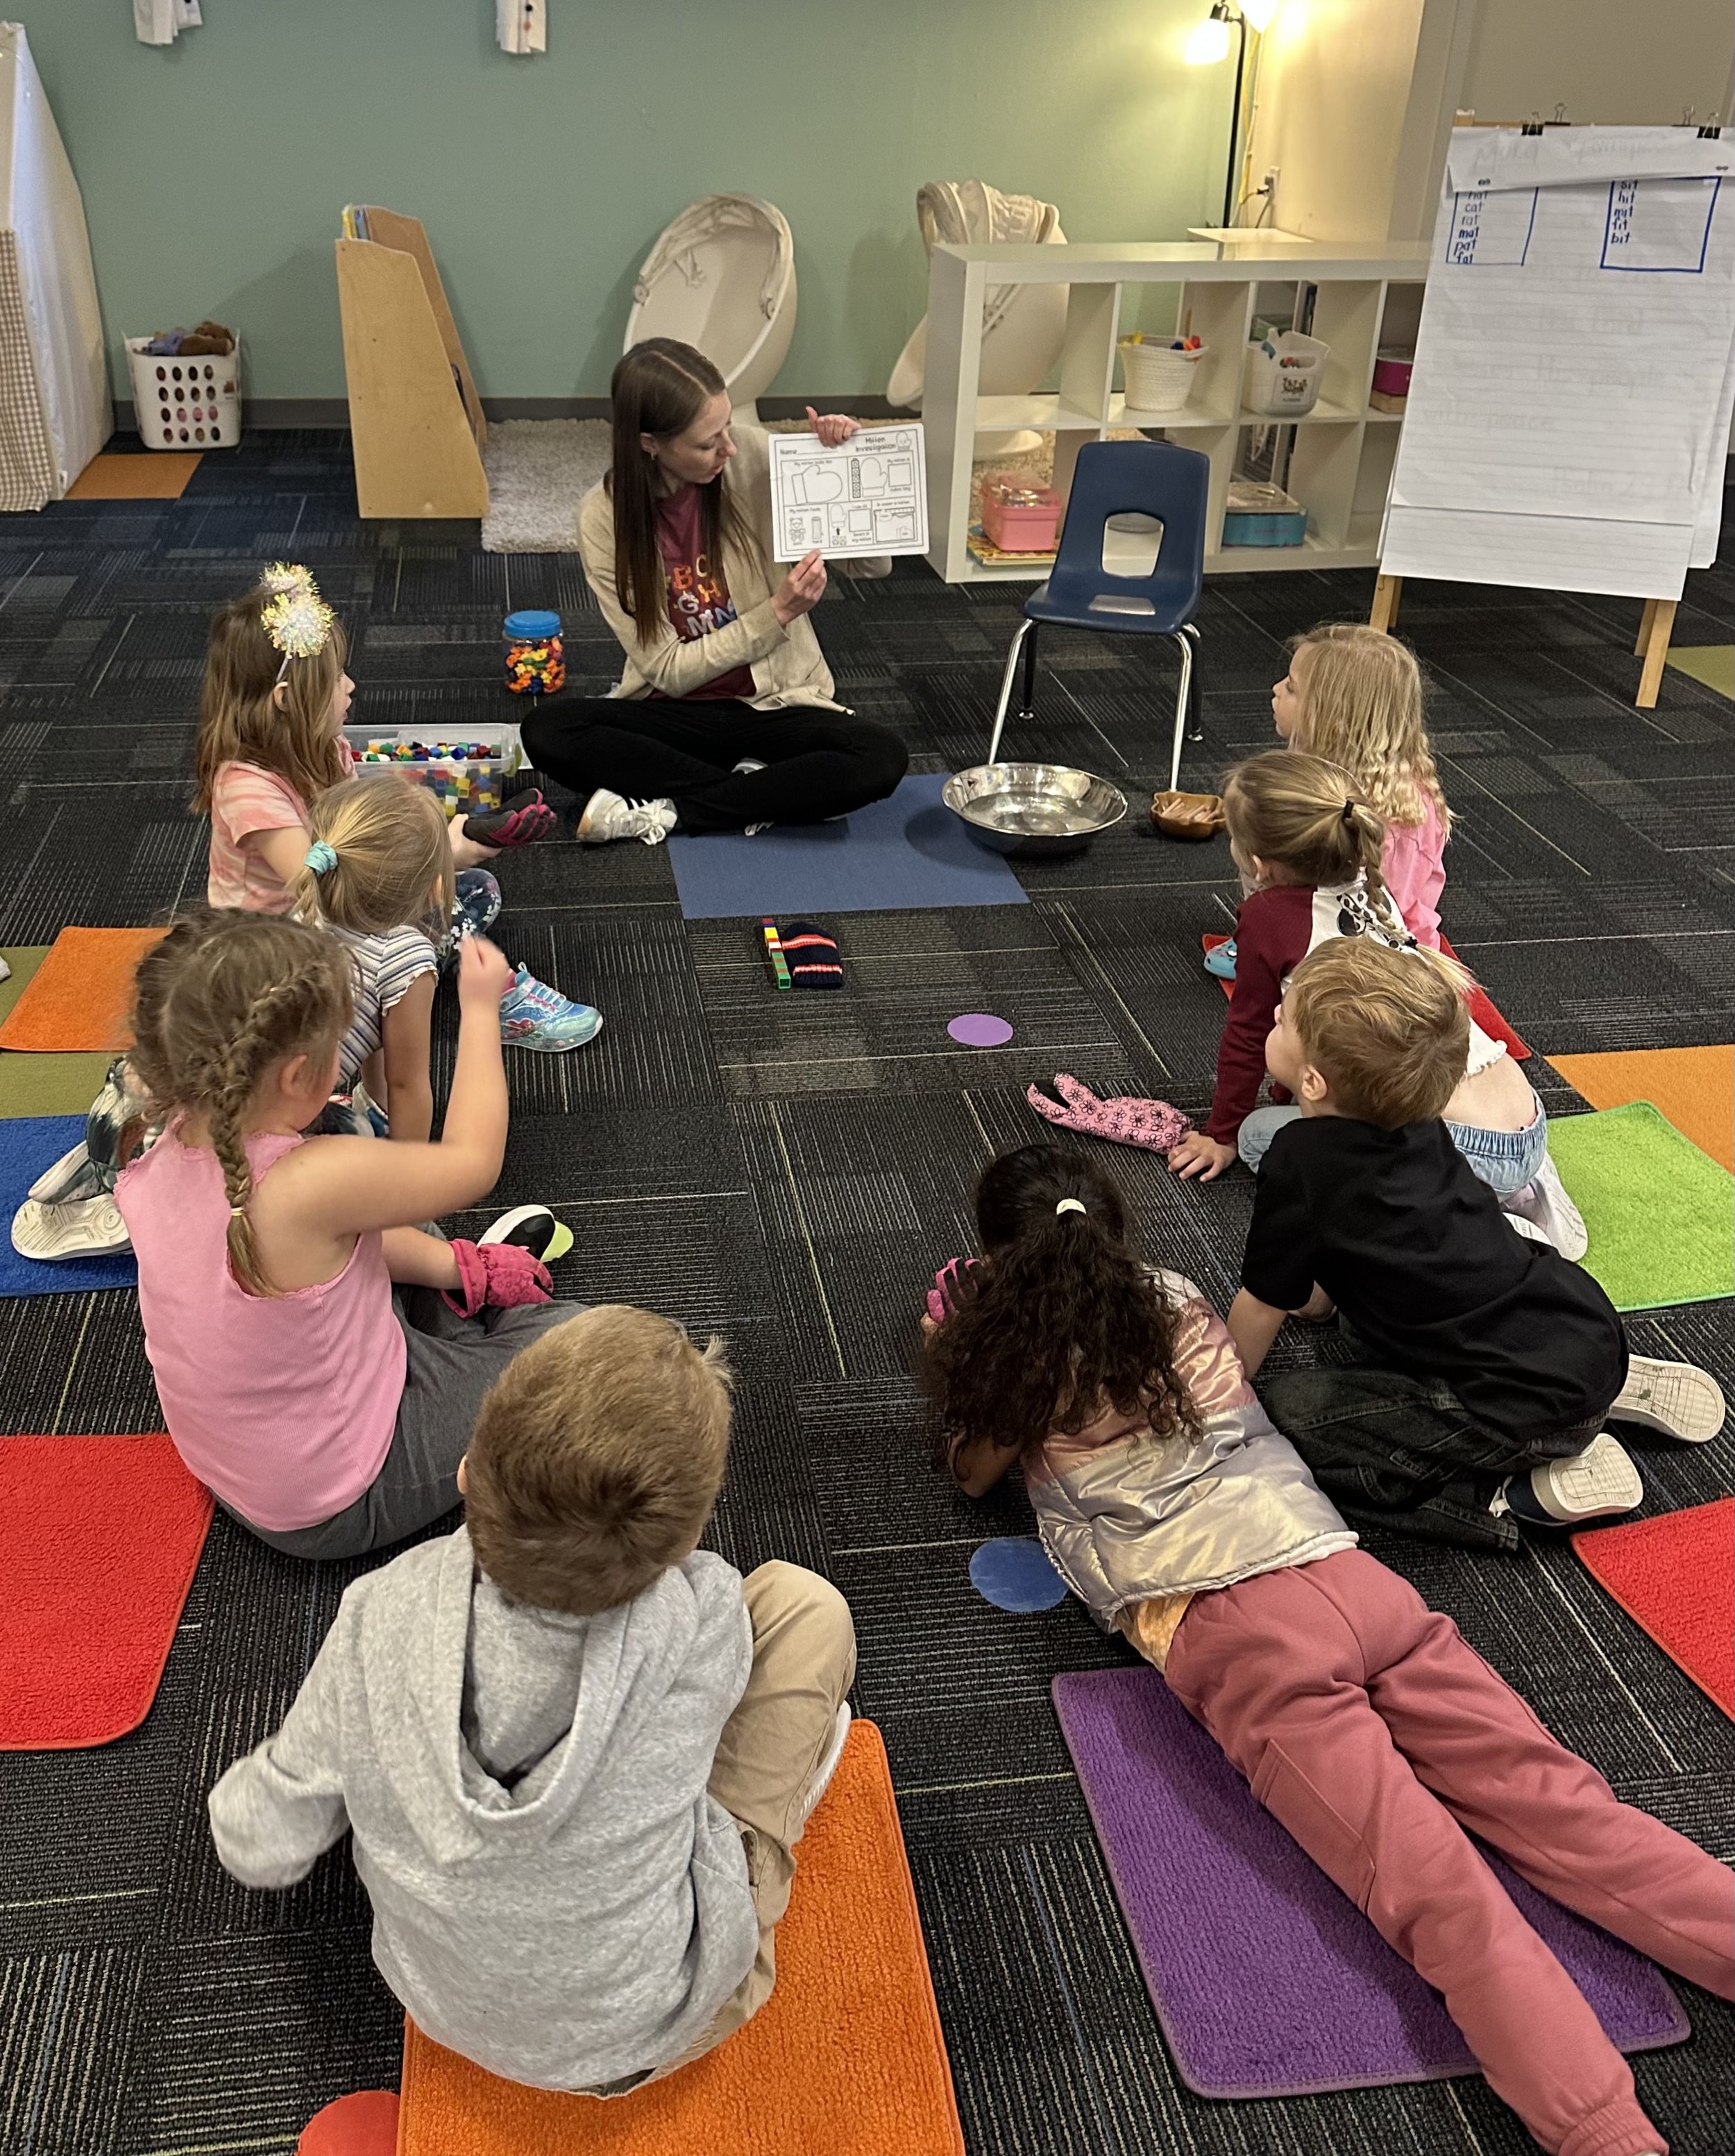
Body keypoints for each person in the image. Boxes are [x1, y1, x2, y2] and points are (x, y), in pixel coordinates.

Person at [922, 1141, 1732, 2156]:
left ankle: (1600, 2130)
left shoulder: (1012, 1349)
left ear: (1000, 1250)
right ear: (1113, 1225)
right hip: (1350, 1578)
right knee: (1567, 1808)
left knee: (1438, 1894)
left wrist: (953, 1345)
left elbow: (974, 1469)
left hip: (1237, 1630)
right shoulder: (1171, 1292)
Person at [205, 1305, 857, 2098]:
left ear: (467, 1474)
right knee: (806, 1607)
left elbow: (259, 1843)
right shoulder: (703, 1614)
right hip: (653, 2030)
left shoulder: (379, 1609)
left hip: (436, 2005)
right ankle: (768, 1822)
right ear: (685, 1544)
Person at [1224, 938, 1725, 1546]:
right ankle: (1596, 1399)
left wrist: (1224, 1405)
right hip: (1578, 1322)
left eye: (1281, 1020)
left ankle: (1507, 1494)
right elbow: (1344, 1259)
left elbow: (1261, 1303)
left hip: (1516, 1403)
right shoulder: (1422, 1121)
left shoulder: (1298, 1159)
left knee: (1285, 1419)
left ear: (1312, 1079)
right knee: (1359, 1326)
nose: (1270, 1020)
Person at [114, 909, 578, 1560]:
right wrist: (478, 1013)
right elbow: (474, 1164)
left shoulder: (163, 1147)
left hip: (245, 1463)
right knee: (583, 1345)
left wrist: (454, 1267)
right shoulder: (309, 1182)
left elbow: (327, 1242)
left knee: (394, 1202)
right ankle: (464, 1335)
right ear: (299, 1075)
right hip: (340, 1497)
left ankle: (455, 1312)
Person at [1168, 750, 1583, 1257]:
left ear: (1259, 863)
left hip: (1461, 1149)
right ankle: (1525, 1183)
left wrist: (1222, 1133)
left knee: (1262, 1140)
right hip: (1525, 1118)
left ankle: (1478, 1222)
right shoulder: (1374, 889)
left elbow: (1249, 1034)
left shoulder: (1268, 917)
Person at [519, 339, 908, 843]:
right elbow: (670, 673)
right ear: (650, 443)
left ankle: (672, 812)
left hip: (774, 704)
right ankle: (766, 793)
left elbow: (871, 566)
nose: (728, 447)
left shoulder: (750, 456)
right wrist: (777, 613)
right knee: (547, 729)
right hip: (671, 714)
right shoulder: (602, 518)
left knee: (881, 756)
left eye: (726, 427)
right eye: (707, 443)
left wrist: (846, 470)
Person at [194, 565, 550, 917]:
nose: (350, 686)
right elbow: (318, 892)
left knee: (477, 889)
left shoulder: (328, 747)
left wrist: (453, 843)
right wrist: (441, 857)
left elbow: (363, 832)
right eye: (335, 679)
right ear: (286, 700)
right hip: (280, 939)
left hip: (335, 900)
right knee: (419, 917)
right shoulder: (247, 789)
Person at [1210, 623, 1449, 979]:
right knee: (1255, 825)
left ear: (1331, 719)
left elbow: (1384, 915)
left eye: (1291, 688)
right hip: (1324, 916)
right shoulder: (1312, 767)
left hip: (1381, 954)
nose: (1275, 690)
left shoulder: (1400, 817)